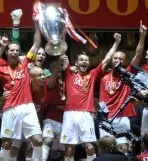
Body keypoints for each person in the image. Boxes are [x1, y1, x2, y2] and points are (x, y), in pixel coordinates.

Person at [0, 20, 42, 161]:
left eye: (16, 50)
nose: (14, 52)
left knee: (38, 140)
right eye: (11, 50)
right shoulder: (0, 69)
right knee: (7, 143)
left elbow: (37, 44)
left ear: (19, 53)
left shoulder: (25, 63)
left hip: (27, 107)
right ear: (7, 52)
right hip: (10, 109)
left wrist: (36, 23)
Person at [60, 33, 121, 161]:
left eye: (86, 60)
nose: (84, 62)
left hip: (86, 114)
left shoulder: (92, 75)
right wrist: (61, 33)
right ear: (76, 63)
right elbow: (61, 53)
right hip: (70, 113)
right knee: (69, 147)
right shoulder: (69, 73)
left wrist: (116, 43)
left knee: (90, 147)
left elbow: (107, 59)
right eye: (81, 60)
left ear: (89, 63)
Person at [99, 22, 147, 154]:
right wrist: (116, 43)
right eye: (115, 58)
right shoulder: (103, 75)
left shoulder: (127, 74)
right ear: (111, 60)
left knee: (123, 149)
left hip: (122, 116)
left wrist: (142, 36)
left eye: (121, 59)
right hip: (106, 117)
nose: (117, 60)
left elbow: (138, 55)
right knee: (105, 149)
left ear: (124, 62)